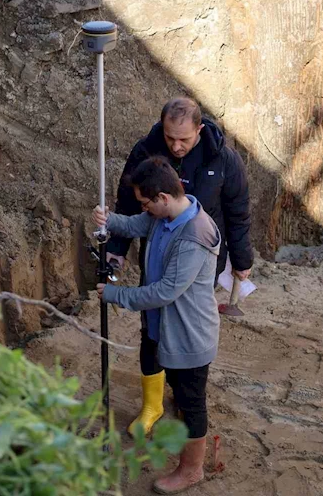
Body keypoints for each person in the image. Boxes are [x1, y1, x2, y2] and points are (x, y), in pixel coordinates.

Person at [106, 96, 253, 438]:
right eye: (170, 137)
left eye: (184, 139)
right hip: (158, 251)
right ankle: (152, 404)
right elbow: (129, 205)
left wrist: (242, 259)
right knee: (154, 326)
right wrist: (116, 250)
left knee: (188, 326)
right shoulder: (146, 152)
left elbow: (238, 209)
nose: (176, 146)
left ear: (199, 130)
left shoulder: (222, 159)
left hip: (200, 256)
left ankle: (188, 393)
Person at [94, 156, 220, 494]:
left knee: (191, 404)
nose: (144, 208)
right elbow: (136, 225)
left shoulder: (195, 234)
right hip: (160, 328)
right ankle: (166, 425)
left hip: (188, 336)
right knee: (166, 381)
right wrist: (110, 219)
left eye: (146, 202)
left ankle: (191, 470)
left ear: (163, 198)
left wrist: (116, 295)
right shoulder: (163, 217)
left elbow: (165, 292)